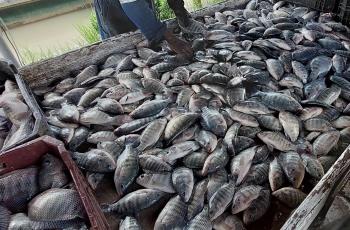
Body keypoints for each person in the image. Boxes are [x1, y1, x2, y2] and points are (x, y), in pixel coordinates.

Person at [94, 0, 194, 58]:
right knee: (124, 55)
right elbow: (132, 3)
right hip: (113, 7)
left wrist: (180, 11)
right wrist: (172, 39)